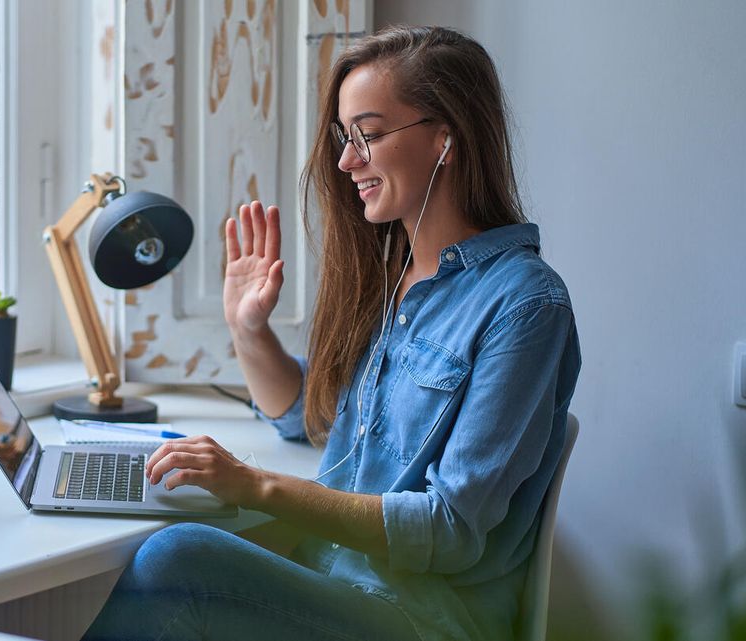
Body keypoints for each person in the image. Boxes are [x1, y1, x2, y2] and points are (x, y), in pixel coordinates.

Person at [84, 24, 580, 641]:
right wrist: (248, 330)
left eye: (367, 136)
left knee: (177, 558)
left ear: (446, 137)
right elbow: (310, 421)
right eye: (346, 138)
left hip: (423, 619)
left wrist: (255, 484)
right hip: (332, 585)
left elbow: (450, 531)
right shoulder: (391, 279)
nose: (347, 161)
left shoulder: (526, 306)